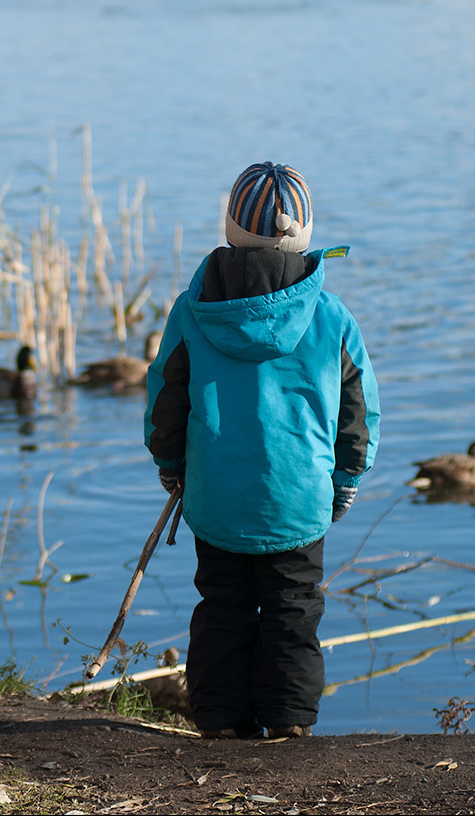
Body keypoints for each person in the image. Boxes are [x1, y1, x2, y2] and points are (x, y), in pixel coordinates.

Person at [143, 161, 380, 740]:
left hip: (217, 496)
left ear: (229, 227)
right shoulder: (331, 318)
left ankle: (222, 724)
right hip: (299, 499)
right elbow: (359, 413)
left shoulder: (192, 310)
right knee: (293, 610)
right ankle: (290, 722)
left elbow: (165, 402)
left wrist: (170, 466)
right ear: (304, 233)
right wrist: (346, 478)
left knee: (223, 608)